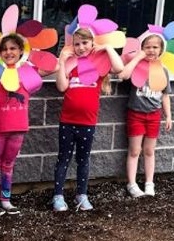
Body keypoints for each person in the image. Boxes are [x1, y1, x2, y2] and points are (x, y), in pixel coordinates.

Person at [52, 27, 122, 212]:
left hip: (87, 123)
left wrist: (106, 47)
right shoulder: (71, 65)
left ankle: (81, 195)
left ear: (92, 43)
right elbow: (61, 86)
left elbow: (119, 68)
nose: (81, 47)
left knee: (83, 160)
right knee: (63, 159)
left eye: (85, 43)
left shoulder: (99, 66)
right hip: (67, 122)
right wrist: (62, 59)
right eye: (77, 44)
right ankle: (58, 196)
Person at [117, 32, 173, 197]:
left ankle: (149, 183)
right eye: (147, 47)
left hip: (154, 116)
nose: (151, 50)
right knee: (134, 151)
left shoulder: (163, 70)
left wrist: (168, 115)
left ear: (161, 49)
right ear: (141, 48)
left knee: (149, 151)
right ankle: (132, 184)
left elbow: (165, 95)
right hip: (136, 114)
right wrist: (136, 58)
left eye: (155, 47)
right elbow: (122, 75)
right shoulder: (137, 67)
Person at [0, 34, 33, 216]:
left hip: (19, 128)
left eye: (13, 48)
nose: (8, 52)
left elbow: (50, 67)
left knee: (9, 165)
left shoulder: (28, 71)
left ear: (21, 51)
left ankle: (6, 200)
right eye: (4, 49)